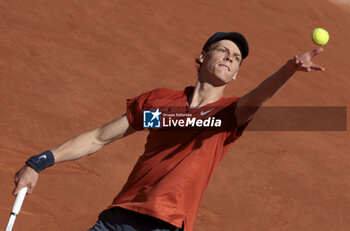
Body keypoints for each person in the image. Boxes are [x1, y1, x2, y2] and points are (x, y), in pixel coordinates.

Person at [12, 32, 325, 231]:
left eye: (237, 57)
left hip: (167, 223)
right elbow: (99, 137)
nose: (230, 56)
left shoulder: (229, 114)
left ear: (237, 73)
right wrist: (40, 161)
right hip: (119, 216)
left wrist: (288, 69)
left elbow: (257, 98)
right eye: (223, 50)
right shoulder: (159, 103)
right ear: (203, 57)